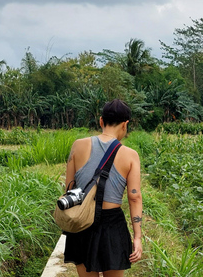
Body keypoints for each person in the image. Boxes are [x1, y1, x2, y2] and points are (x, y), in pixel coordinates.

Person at [63, 99, 142, 277]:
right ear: (125, 124)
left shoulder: (78, 145)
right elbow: (134, 197)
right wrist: (137, 237)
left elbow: (69, 187)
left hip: (82, 222)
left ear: (101, 121)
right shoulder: (131, 155)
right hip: (112, 226)